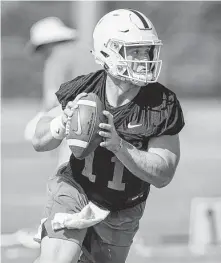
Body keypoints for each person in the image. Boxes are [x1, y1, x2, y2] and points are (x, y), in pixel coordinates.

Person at [32, 9, 185, 263]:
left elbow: (164, 173)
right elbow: (39, 139)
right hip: (76, 187)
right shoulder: (83, 89)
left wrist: (119, 146)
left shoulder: (162, 103)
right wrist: (61, 122)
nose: (143, 58)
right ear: (107, 52)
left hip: (124, 207)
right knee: (57, 260)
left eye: (146, 50)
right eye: (133, 51)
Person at [24, 16, 100, 166]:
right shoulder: (88, 50)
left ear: (48, 44)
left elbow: (52, 98)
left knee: (69, 176)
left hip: (79, 121)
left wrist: (41, 122)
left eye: (40, 49)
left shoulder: (57, 58)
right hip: (108, 119)